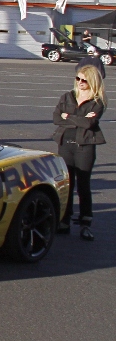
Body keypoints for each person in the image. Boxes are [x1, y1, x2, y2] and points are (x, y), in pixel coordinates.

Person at [53, 65, 104, 240]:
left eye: (84, 80)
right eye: (78, 79)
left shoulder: (97, 102)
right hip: (65, 144)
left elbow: (89, 125)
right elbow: (56, 118)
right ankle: (64, 220)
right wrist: (78, 119)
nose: (80, 83)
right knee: (67, 185)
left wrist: (69, 117)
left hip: (85, 147)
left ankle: (85, 223)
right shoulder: (67, 96)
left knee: (83, 185)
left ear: (93, 82)